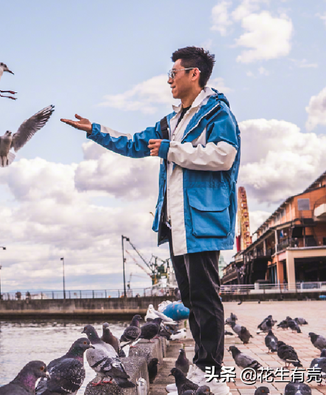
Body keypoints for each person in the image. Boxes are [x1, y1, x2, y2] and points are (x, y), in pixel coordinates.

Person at [61, 46, 240, 395]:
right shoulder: (172, 120)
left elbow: (224, 154)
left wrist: (171, 149)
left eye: (174, 72)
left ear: (194, 74)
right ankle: (202, 375)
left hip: (202, 221)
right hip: (177, 223)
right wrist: (94, 130)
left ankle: (210, 375)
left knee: (205, 298)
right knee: (191, 297)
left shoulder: (217, 112)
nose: (169, 79)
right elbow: (134, 144)